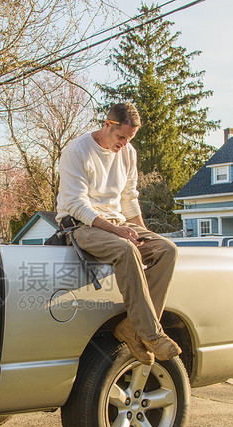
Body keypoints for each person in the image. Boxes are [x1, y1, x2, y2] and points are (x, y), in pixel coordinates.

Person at [56, 102, 181, 365]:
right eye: (120, 136)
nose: (124, 143)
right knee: (126, 249)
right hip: (81, 225)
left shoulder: (128, 153)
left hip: (117, 223)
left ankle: (132, 330)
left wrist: (143, 235)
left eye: (130, 138)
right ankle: (152, 334)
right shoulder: (77, 151)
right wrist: (118, 231)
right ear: (107, 125)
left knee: (166, 250)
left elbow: (129, 199)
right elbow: (77, 205)